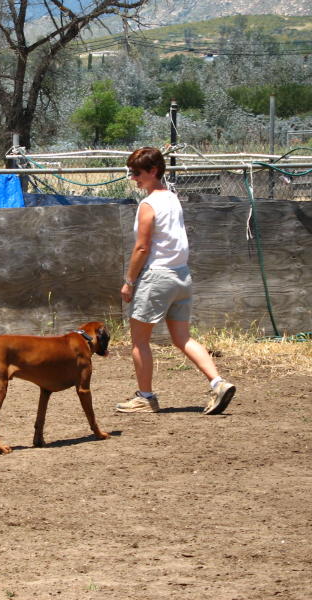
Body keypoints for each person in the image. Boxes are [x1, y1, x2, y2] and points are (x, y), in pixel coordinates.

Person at [116, 147, 236, 415]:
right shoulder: (172, 198)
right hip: (181, 276)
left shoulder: (148, 205)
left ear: (153, 171)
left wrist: (129, 281)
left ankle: (145, 397)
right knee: (182, 338)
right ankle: (218, 383)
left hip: (156, 277)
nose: (133, 178)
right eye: (131, 172)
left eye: (137, 173)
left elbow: (141, 248)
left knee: (139, 341)